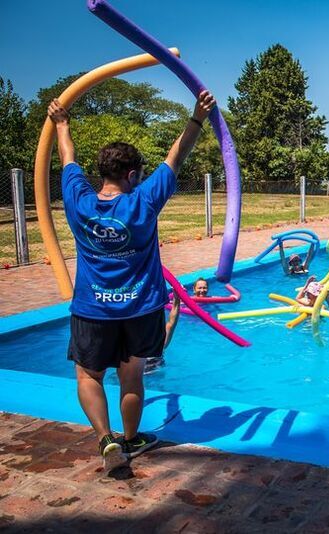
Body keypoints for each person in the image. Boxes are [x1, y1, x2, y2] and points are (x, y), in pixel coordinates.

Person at [49, 90, 216, 471]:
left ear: (102, 172)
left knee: (88, 375)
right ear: (132, 175)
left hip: (92, 308)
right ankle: (129, 438)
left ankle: (106, 440)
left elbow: (67, 157)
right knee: (132, 377)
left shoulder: (78, 200)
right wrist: (197, 117)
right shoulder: (143, 201)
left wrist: (62, 124)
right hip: (141, 308)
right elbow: (176, 156)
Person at [144, 294, 181, 375]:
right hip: (148, 373)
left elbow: (171, 323)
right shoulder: (133, 340)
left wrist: (177, 299)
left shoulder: (159, 343)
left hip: (154, 373)